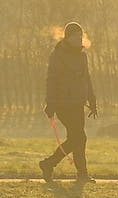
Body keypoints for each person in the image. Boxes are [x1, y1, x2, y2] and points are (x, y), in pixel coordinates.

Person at [39, 22, 98, 183]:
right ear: (68, 37)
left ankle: (79, 173)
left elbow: (87, 79)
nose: (79, 38)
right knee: (79, 138)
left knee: (77, 138)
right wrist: (50, 103)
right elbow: (51, 80)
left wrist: (92, 100)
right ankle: (50, 163)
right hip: (63, 104)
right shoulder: (57, 55)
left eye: (81, 35)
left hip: (78, 103)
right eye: (76, 36)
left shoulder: (82, 55)